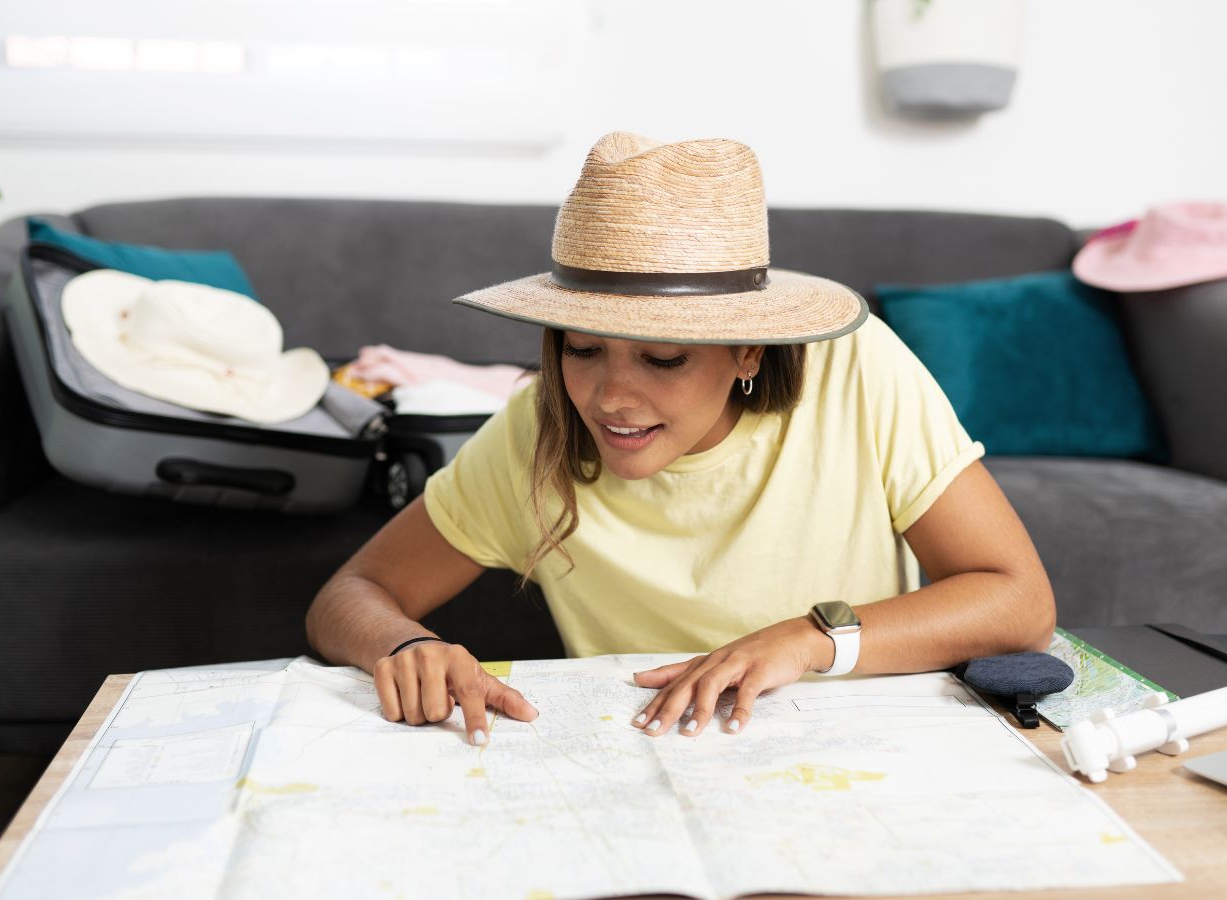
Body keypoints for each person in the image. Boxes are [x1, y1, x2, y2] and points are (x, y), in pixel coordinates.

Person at [305, 132, 1055, 747]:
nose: (610, 397)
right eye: (581, 348)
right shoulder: (536, 430)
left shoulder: (857, 371)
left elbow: (1018, 600)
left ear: (748, 351)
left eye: (662, 358)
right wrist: (404, 646)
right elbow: (352, 593)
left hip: (860, 744)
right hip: (649, 753)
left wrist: (809, 639)